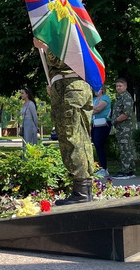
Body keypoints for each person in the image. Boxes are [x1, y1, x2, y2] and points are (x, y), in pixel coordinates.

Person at [33, 38, 94, 205]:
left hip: (70, 86)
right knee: (80, 137)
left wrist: (45, 48)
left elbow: (65, 57)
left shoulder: (66, 28)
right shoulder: (71, 27)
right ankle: (85, 190)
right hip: (73, 86)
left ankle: (81, 192)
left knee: (71, 137)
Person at [111, 78, 137, 179]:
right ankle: (130, 170)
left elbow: (126, 114)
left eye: (120, 86)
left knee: (125, 149)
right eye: (117, 86)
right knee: (126, 149)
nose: (118, 88)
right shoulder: (120, 97)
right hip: (121, 128)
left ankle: (125, 171)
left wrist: (115, 120)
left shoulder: (126, 97)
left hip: (125, 128)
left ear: (125, 87)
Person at [91, 85, 112, 174]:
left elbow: (98, 109)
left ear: (102, 89)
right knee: (96, 145)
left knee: (99, 144)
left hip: (103, 124)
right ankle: (99, 167)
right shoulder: (94, 99)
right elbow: (93, 109)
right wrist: (93, 109)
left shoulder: (105, 98)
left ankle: (104, 168)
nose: (95, 90)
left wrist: (91, 109)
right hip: (94, 124)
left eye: (97, 88)